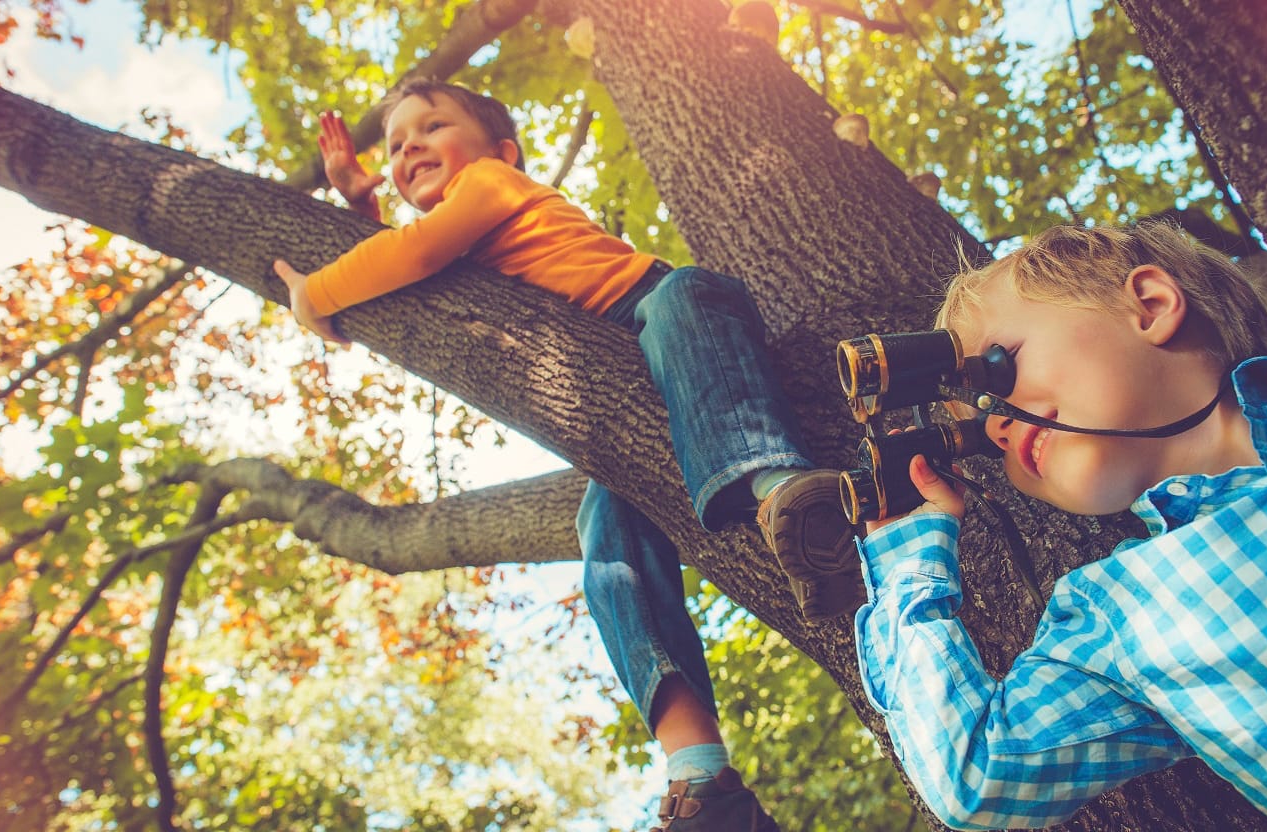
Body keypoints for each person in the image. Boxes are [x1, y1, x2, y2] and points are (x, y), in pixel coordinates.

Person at [270, 79, 862, 830]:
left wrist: (312, 294)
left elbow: (413, 255)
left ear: (504, 153)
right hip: (632, 384)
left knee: (682, 300)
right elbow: (404, 260)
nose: (409, 145)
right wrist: (362, 207)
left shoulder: (490, 185)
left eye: (432, 126)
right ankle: (702, 777)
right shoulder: (462, 232)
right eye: (394, 145)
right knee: (606, 531)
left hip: (661, 311)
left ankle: (789, 497)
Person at [812, 223, 1267, 830]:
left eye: (998, 368)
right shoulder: (1115, 614)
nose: (997, 424)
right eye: (981, 433)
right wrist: (908, 564)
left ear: (1151, 305)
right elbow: (970, 773)